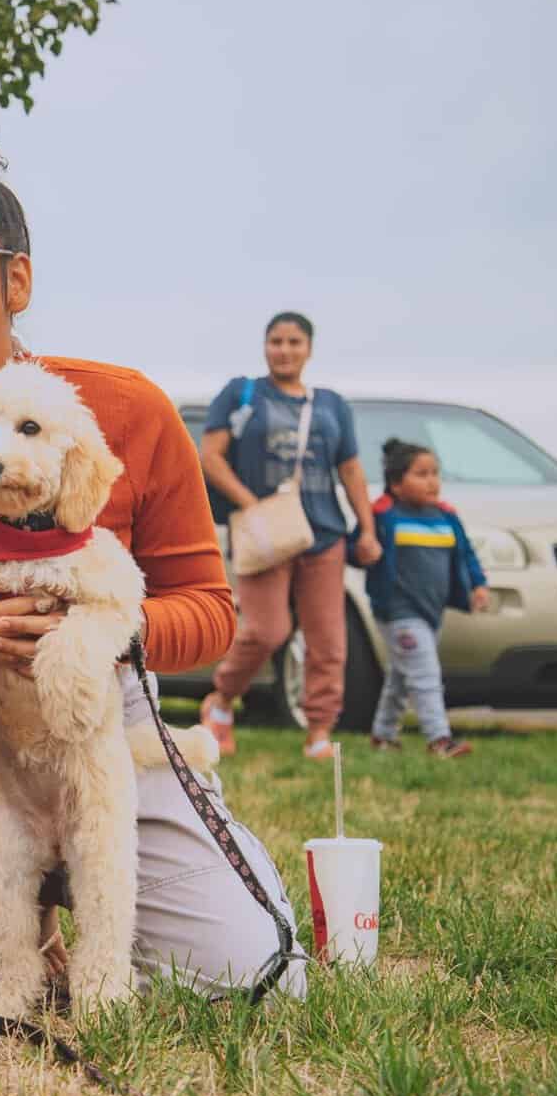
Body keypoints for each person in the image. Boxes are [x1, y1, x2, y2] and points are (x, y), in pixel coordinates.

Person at [0, 106, 305, 1008]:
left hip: (96, 721)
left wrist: (102, 629)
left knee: (250, 978)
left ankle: (117, 884)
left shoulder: (123, 413)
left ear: (18, 279)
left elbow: (210, 611)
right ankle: (10, 923)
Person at [197, 312, 382, 761]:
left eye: (294, 342)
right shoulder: (242, 394)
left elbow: (351, 469)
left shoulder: (332, 404)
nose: (285, 350)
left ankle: (319, 730)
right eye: (276, 341)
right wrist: (250, 502)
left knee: (328, 638)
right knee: (266, 630)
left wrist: (368, 528)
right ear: (265, 346)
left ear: (309, 349)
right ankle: (221, 701)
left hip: (323, 531)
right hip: (265, 531)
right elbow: (211, 457)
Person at [361, 439, 488, 758]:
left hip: (432, 612)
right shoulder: (384, 515)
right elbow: (358, 547)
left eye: (435, 473)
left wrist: (478, 584)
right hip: (398, 612)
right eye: (421, 474)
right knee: (425, 673)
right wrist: (363, 549)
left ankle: (383, 735)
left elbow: (466, 554)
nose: (432, 481)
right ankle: (439, 740)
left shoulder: (446, 517)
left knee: (401, 676)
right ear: (396, 484)